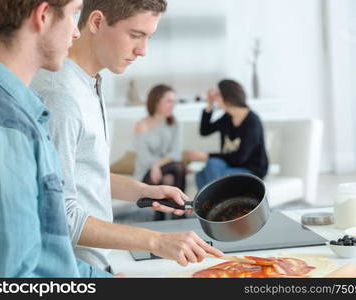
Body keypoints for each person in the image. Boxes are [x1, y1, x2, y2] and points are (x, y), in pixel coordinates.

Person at [31, 0, 223, 272]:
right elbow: (60, 213)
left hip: (94, 265)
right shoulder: (60, 96)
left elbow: (80, 175)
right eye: (135, 35)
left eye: (148, 37)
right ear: (96, 22)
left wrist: (143, 191)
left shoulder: (89, 81)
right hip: (71, 270)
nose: (143, 51)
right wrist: (155, 240)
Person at [0, 0, 111, 277]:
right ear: (43, 15)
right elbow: (10, 282)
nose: (76, 32)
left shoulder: (7, 108)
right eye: (73, 15)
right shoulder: (3, 128)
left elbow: (45, 254)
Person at [187, 79, 269, 190]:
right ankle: (213, 205)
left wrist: (206, 156)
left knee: (212, 165)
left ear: (227, 97)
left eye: (217, 95)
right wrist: (209, 105)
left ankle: (218, 204)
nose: (215, 98)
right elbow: (204, 131)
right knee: (200, 175)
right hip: (230, 166)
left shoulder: (252, 122)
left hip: (251, 170)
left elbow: (239, 158)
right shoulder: (228, 117)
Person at [134, 84, 187, 221]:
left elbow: (176, 153)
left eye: (174, 101)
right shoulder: (142, 125)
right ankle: (167, 214)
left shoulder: (175, 124)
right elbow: (144, 158)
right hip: (146, 172)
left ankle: (176, 213)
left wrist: (157, 165)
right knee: (175, 169)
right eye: (169, 101)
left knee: (178, 167)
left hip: (167, 168)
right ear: (157, 102)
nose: (173, 105)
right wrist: (155, 167)